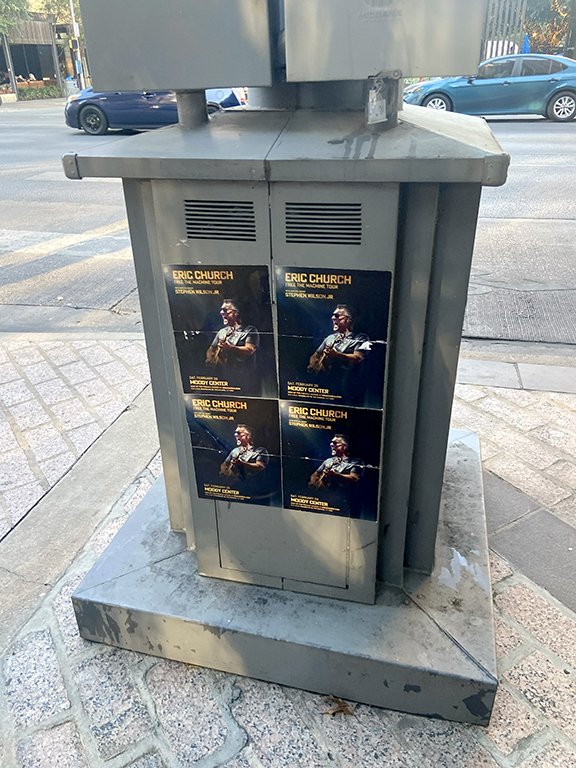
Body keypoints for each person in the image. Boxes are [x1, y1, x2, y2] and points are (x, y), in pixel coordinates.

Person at [307, 305, 370, 374]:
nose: (333, 318)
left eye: (337, 316)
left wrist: (337, 355)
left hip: (345, 380)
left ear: (349, 319)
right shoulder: (330, 338)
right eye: (333, 315)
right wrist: (313, 365)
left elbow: (357, 358)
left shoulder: (361, 338)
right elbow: (315, 355)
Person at [205, 300, 259, 369]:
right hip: (223, 373)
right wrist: (210, 358)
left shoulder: (249, 330)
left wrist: (231, 348)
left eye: (225, 310)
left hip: (242, 373)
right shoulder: (222, 332)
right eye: (221, 310)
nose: (221, 313)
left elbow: (250, 350)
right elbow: (211, 348)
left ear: (236, 313)